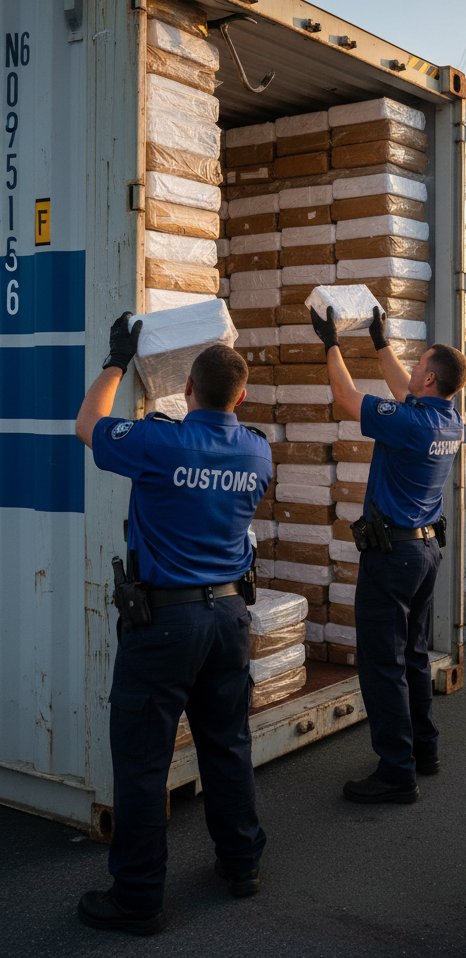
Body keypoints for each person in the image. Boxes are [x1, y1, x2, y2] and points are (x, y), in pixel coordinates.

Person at [75, 314, 273, 936]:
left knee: (141, 762)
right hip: (229, 620)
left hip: (165, 623)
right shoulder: (258, 449)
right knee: (227, 745)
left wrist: (115, 360)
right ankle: (241, 864)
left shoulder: (160, 443)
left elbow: (88, 426)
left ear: (186, 387)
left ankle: (137, 897)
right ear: (241, 396)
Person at [310, 305, 466, 804]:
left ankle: (396, 772)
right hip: (424, 554)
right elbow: (405, 391)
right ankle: (424, 750)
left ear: (430, 377)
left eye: (418, 363)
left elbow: (344, 398)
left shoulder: (411, 423)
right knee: (415, 656)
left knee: (382, 665)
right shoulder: (447, 418)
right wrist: (380, 343)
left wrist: (331, 342)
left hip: (393, 557)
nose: (413, 367)